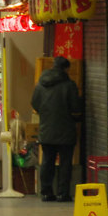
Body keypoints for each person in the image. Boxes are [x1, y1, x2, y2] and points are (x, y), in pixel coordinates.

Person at [30, 56, 82, 202]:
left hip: (46, 129)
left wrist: (46, 113)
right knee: (65, 163)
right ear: (66, 68)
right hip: (65, 129)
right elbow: (76, 107)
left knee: (47, 161)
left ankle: (46, 192)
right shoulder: (69, 85)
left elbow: (34, 103)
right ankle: (62, 193)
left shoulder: (41, 84)